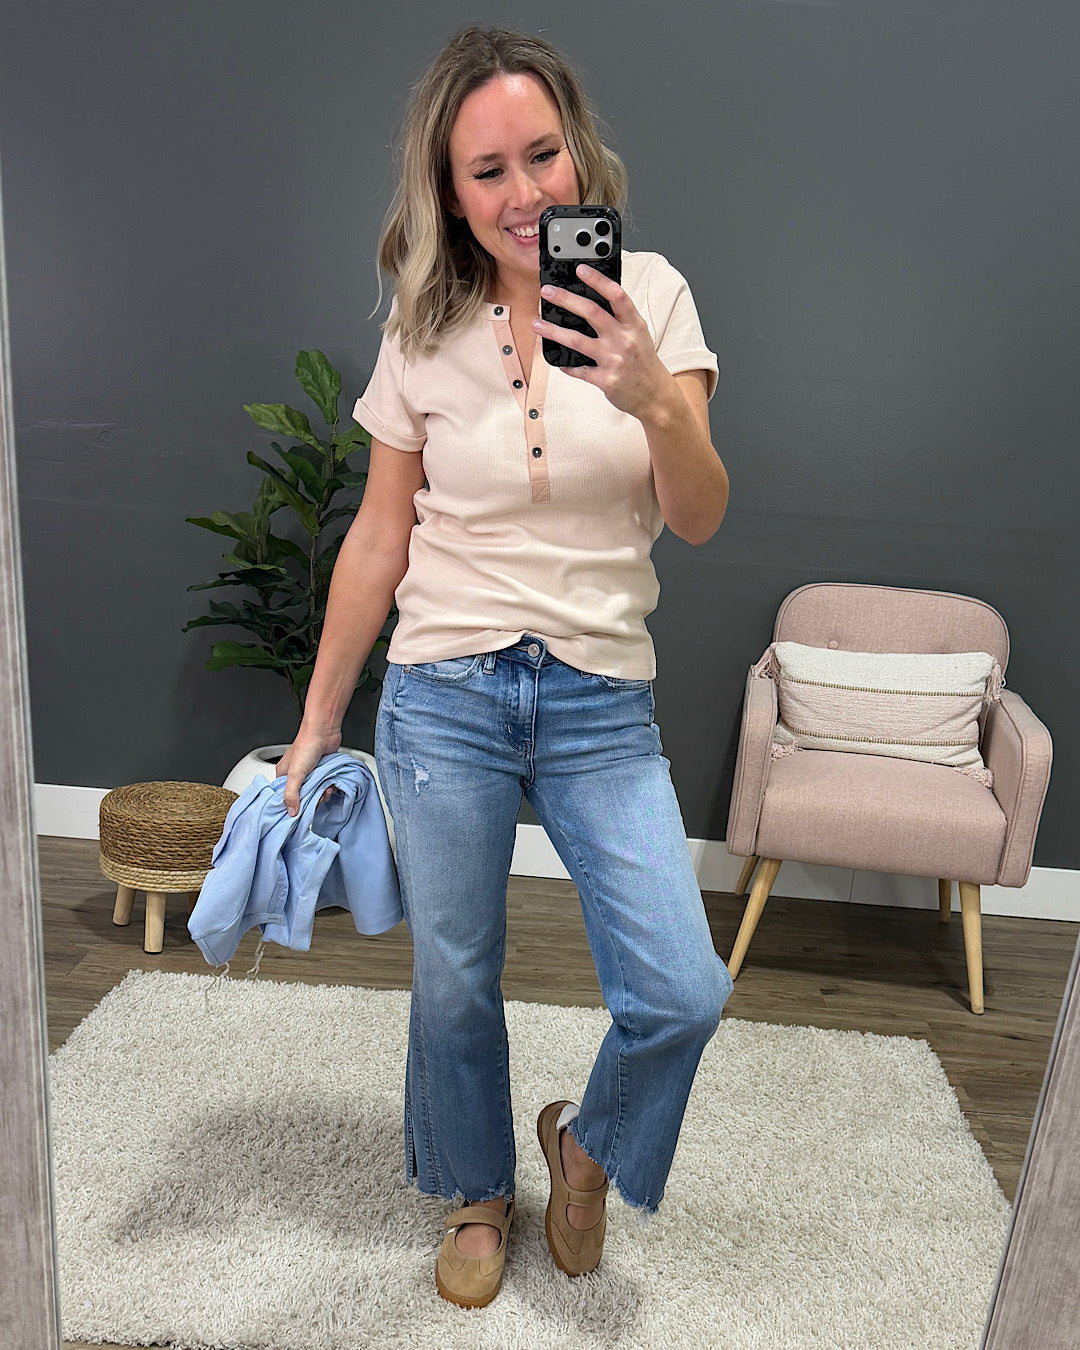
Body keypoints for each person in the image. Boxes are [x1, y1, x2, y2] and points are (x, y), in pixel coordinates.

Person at [277, 24, 733, 1309]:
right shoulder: (421, 328)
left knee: (683, 988)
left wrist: (654, 395)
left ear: (579, 151)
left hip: (599, 696)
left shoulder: (653, 295)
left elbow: (698, 514)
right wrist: (318, 720)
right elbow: (380, 537)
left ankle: (582, 1146)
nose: (525, 192)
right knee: (456, 977)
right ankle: (475, 1188)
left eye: (542, 154)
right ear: (450, 190)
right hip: (447, 692)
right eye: (489, 170)